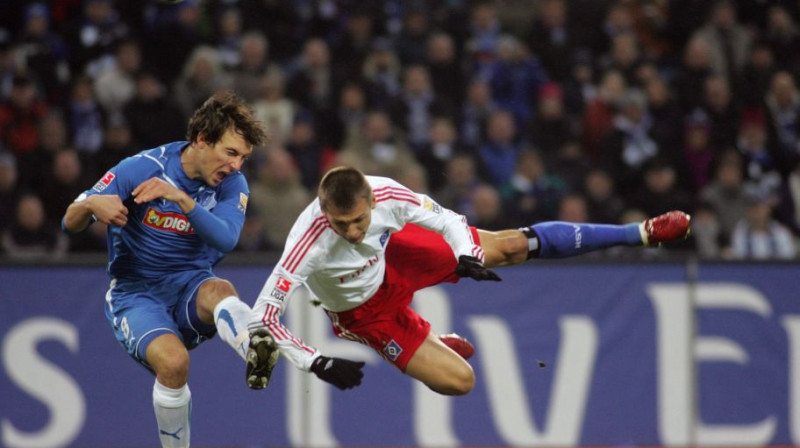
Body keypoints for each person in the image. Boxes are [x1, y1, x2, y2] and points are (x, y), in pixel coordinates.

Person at [245, 166, 691, 395]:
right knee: (460, 382)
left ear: (369, 200)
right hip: (362, 309)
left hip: (397, 253)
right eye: (341, 225)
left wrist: (466, 254)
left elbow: (447, 219)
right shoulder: (308, 243)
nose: (353, 232)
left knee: (510, 247)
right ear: (326, 215)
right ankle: (434, 340)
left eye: (358, 220)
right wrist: (315, 362)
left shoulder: (388, 195)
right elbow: (262, 317)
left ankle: (640, 232)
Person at [62, 90, 274, 448]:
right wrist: (93, 204)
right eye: (231, 152)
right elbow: (70, 220)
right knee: (174, 366)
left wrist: (182, 199)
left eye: (244, 157)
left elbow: (225, 238)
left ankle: (255, 347)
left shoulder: (232, 184)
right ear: (203, 139)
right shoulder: (142, 168)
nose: (237, 166)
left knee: (220, 289)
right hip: (137, 295)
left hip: (191, 286)